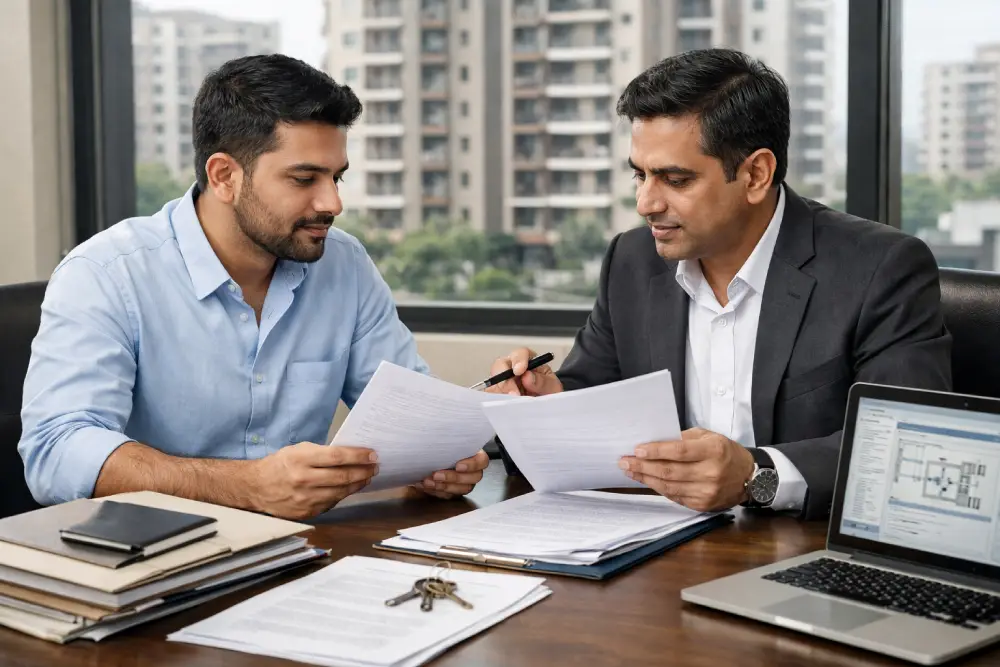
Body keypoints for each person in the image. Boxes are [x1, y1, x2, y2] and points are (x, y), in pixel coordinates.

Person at [18, 54, 488, 519]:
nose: (333, 202)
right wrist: (245, 487)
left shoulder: (344, 264)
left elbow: (410, 413)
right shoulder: (105, 273)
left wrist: (443, 460)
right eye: (304, 178)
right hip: (156, 556)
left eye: (336, 177)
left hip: (303, 551)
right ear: (224, 176)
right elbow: (56, 450)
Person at [488, 49, 951, 520]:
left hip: (807, 552)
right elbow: (592, 388)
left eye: (674, 179)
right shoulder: (632, 260)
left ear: (755, 174)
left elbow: (904, 444)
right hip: (659, 547)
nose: (646, 202)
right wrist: (547, 403)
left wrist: (755, 476)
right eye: (640, 174)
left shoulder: (880, 267)